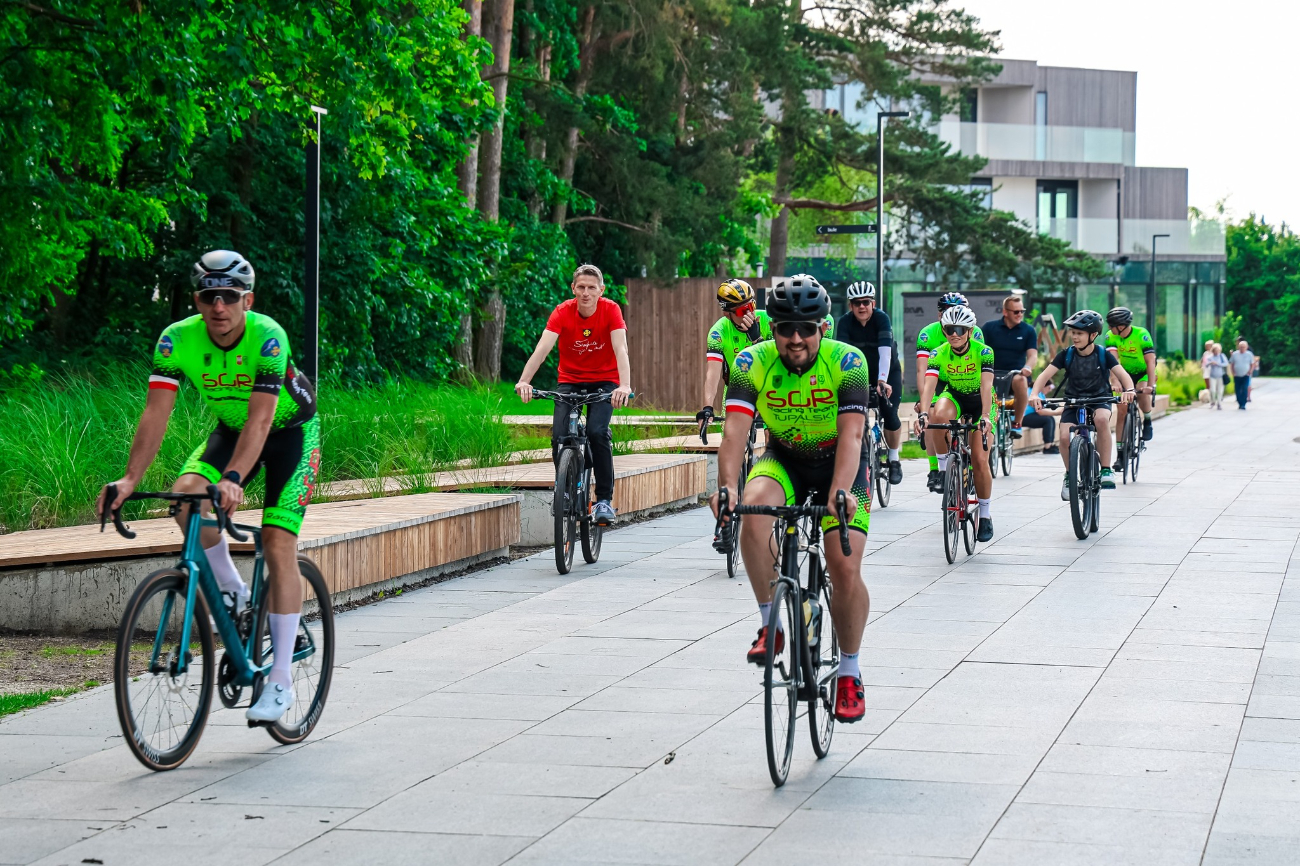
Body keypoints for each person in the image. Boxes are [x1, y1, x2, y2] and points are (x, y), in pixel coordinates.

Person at [97, 250, 321, 724]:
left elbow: (261, 421)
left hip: (290, 434)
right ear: (196, 300)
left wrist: (234, 478)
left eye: (230, 296)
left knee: (278, 541)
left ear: (247, 300)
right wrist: (130, 478)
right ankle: (235, 593)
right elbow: (156, 412)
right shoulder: (175, 340)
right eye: (209, 296)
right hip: (232, 431)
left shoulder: (268, 336)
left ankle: (280, 679)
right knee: (186, 498)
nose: (219, 306)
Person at [711, 275, 873, 723]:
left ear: (823, 327)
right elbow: (734, 433)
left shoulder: (849, 361)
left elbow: (852, 435)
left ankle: (849, 672)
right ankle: (772, 623)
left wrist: (841, 491)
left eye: (806, 328)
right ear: (773, 328)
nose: (796, 338)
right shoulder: (751, 361)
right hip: (784, 457)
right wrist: (727, 487)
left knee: (843, 566)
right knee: (753, 508)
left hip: (841, 463)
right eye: (786, 328)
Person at [516, 264, 634, 525]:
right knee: (559, 435)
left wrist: (624, 386)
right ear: (573, 288)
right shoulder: (562, 312)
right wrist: (524, 381)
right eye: (581, 287)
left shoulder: (611, 310)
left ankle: (603, 500)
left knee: (597, 432)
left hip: (605, 381)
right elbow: (542, 349)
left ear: (601, 290)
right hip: (570, 380)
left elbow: (621, 349)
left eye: (591, 288)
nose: (586, 293)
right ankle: (567, 491)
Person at [1030, 310, 1135, 499]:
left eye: (1079, 333)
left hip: (1099, 399)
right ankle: (1069, 476)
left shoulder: (1103, 354)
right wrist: (1034, 394)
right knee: (1064, 437)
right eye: (1073, 332)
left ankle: (1105, 469)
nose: (1075, 337)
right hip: (1074, 401)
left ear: (1093, 335)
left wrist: (1129, 390)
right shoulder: (1067, 355)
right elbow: (1044, 376)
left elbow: (1123, 375)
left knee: (1101, 419)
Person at [915, 305, 996, 542]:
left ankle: (985, 515)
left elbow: (986, 386)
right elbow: (930, 385)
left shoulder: (984, 352)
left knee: (979, 459)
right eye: (949, 329)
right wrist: (923, 413)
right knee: (937, 414)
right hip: (956, 396)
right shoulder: (938, 353)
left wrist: (986, 416)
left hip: (981, 401)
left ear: (970, 331)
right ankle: (943, 470)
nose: (954, 334)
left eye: (960, 329)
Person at [915, 292, 985, 493]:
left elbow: (980, 371)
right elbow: (922, 371)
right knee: (933, 416)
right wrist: (924, 403)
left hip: (966, 380)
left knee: (968, 420)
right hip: (939, 380)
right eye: (947, 312)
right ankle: (935, 470)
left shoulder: (974, 332)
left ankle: (969, 467)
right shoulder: (928, 334)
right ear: (939, 315)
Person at [836, 281, 903, 484]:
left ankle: (894, 459)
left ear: (873, 303)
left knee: (889, 411)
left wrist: (882, 380)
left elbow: (885, 354)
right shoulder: (845, 322)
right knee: (852, 412)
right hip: (858, 374)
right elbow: (843, 357)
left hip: (887, 372)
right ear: (850, 305)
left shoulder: (882, 319)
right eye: (857, 303)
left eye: (866, 302)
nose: (862, 306)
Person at [698, 279, 771, 437]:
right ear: (727, 313)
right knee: (731, 438)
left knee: (771, 435)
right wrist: (707, 408)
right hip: (738, 387)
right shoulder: (718, 332)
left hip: (770, 385)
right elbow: (712, 375)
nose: (749, 314)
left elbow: (778, 363)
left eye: (751, 306)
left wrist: (757, 340)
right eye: (742, 311)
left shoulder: (767, 320)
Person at [1102, 308, 1158, 463]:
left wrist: (1151, 386)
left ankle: (1147, 419)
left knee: (1142, 392)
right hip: (1124, 373)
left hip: (1143, 372)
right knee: (1122, 410)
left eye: (1111, 325)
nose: (1109, 328)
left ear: (1121, 326)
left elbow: (1150, 361)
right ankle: (1120, 454)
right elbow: (1113, 361)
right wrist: (1115, 381)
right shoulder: (1111, 336)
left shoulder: (1141, 334)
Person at [980, 294, 1039, 437]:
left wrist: (1027, 367)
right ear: (1005, 312)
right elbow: (978, 349)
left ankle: (1017, 423)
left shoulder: (1028, 330)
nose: (1020, 315)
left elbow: (1033, 355)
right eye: (1016, 312)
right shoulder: (989, 328)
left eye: (1022, 311)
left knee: (1021, 380)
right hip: (991, 372)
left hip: (1015, 374)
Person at [1021, 381, 1063, 454]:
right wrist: (1057, 413)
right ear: (1043, 386)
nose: (1050, 390)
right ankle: (1047, 447)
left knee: (1050, 419)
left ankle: (1050, 444)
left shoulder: (1040, 394)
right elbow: (1040, 411)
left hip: (1030, 415)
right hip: (1022, 418)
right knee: (1047, 420)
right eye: (1049, 387)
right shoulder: (1033, 393)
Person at [1228, 339, 1257, 410]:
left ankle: (1243, 403)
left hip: (1246, 375)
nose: (1242, 348)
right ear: (1238, 347)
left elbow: (1252, 364)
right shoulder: (1235, 354)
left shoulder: (1249, 354)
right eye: (1241, 347)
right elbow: (1232, 364)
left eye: (1243, 347)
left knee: (1244, 388)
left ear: (1246, 347)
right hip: (1237, 375)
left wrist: (1250, 371)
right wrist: (1233, 373)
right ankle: (1239, 402)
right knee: (1237, 389)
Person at [1205, 342, 1229, 409]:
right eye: (1215, 350)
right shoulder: (1210, 357)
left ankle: (1219, 403)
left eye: (1217, 350)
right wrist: (1210, 363)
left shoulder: (1222, 356)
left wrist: (1218, 364)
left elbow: (1226, 363)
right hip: (1212, 375)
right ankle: (1213, 401)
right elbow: (1206, 365)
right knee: (1212, 390)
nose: (1216, 352)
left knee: (1220, 390)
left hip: (1220, 376)